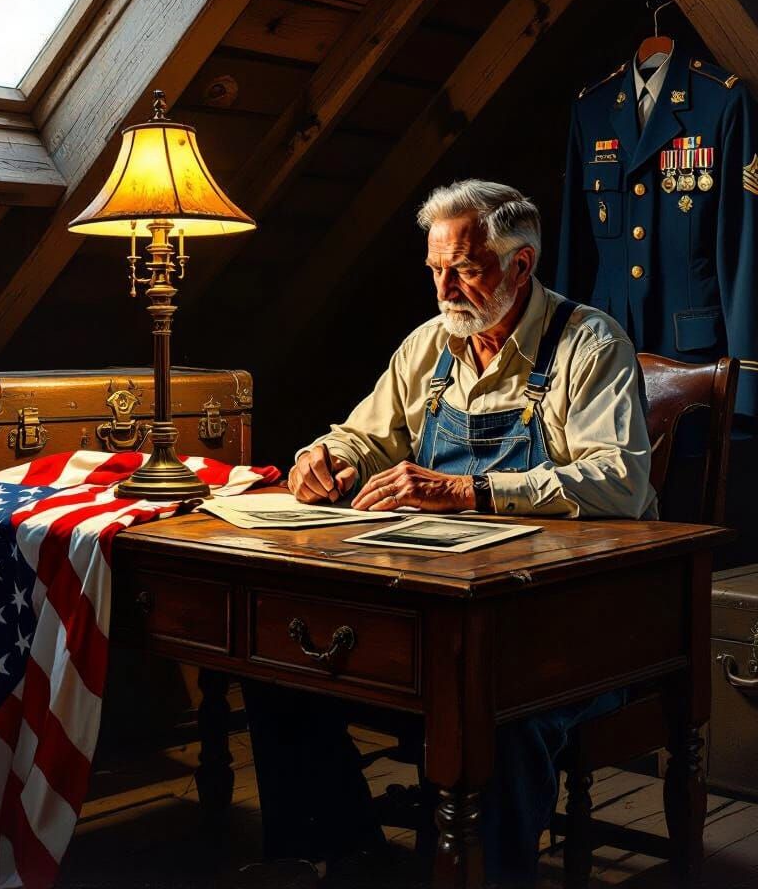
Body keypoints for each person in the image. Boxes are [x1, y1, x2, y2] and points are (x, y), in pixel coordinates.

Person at [246, 179, 655, 885]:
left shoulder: (589, 344)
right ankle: (350, 855)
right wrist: (324, 458)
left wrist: (467, 489)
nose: (446, 289)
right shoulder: (430, 346)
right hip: (447, 613)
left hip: (566, 620)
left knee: (504, 715)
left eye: (465, 269)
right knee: (279, 669)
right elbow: (361, 436)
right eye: (436, 270)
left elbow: (620, 481)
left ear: (520, 265)